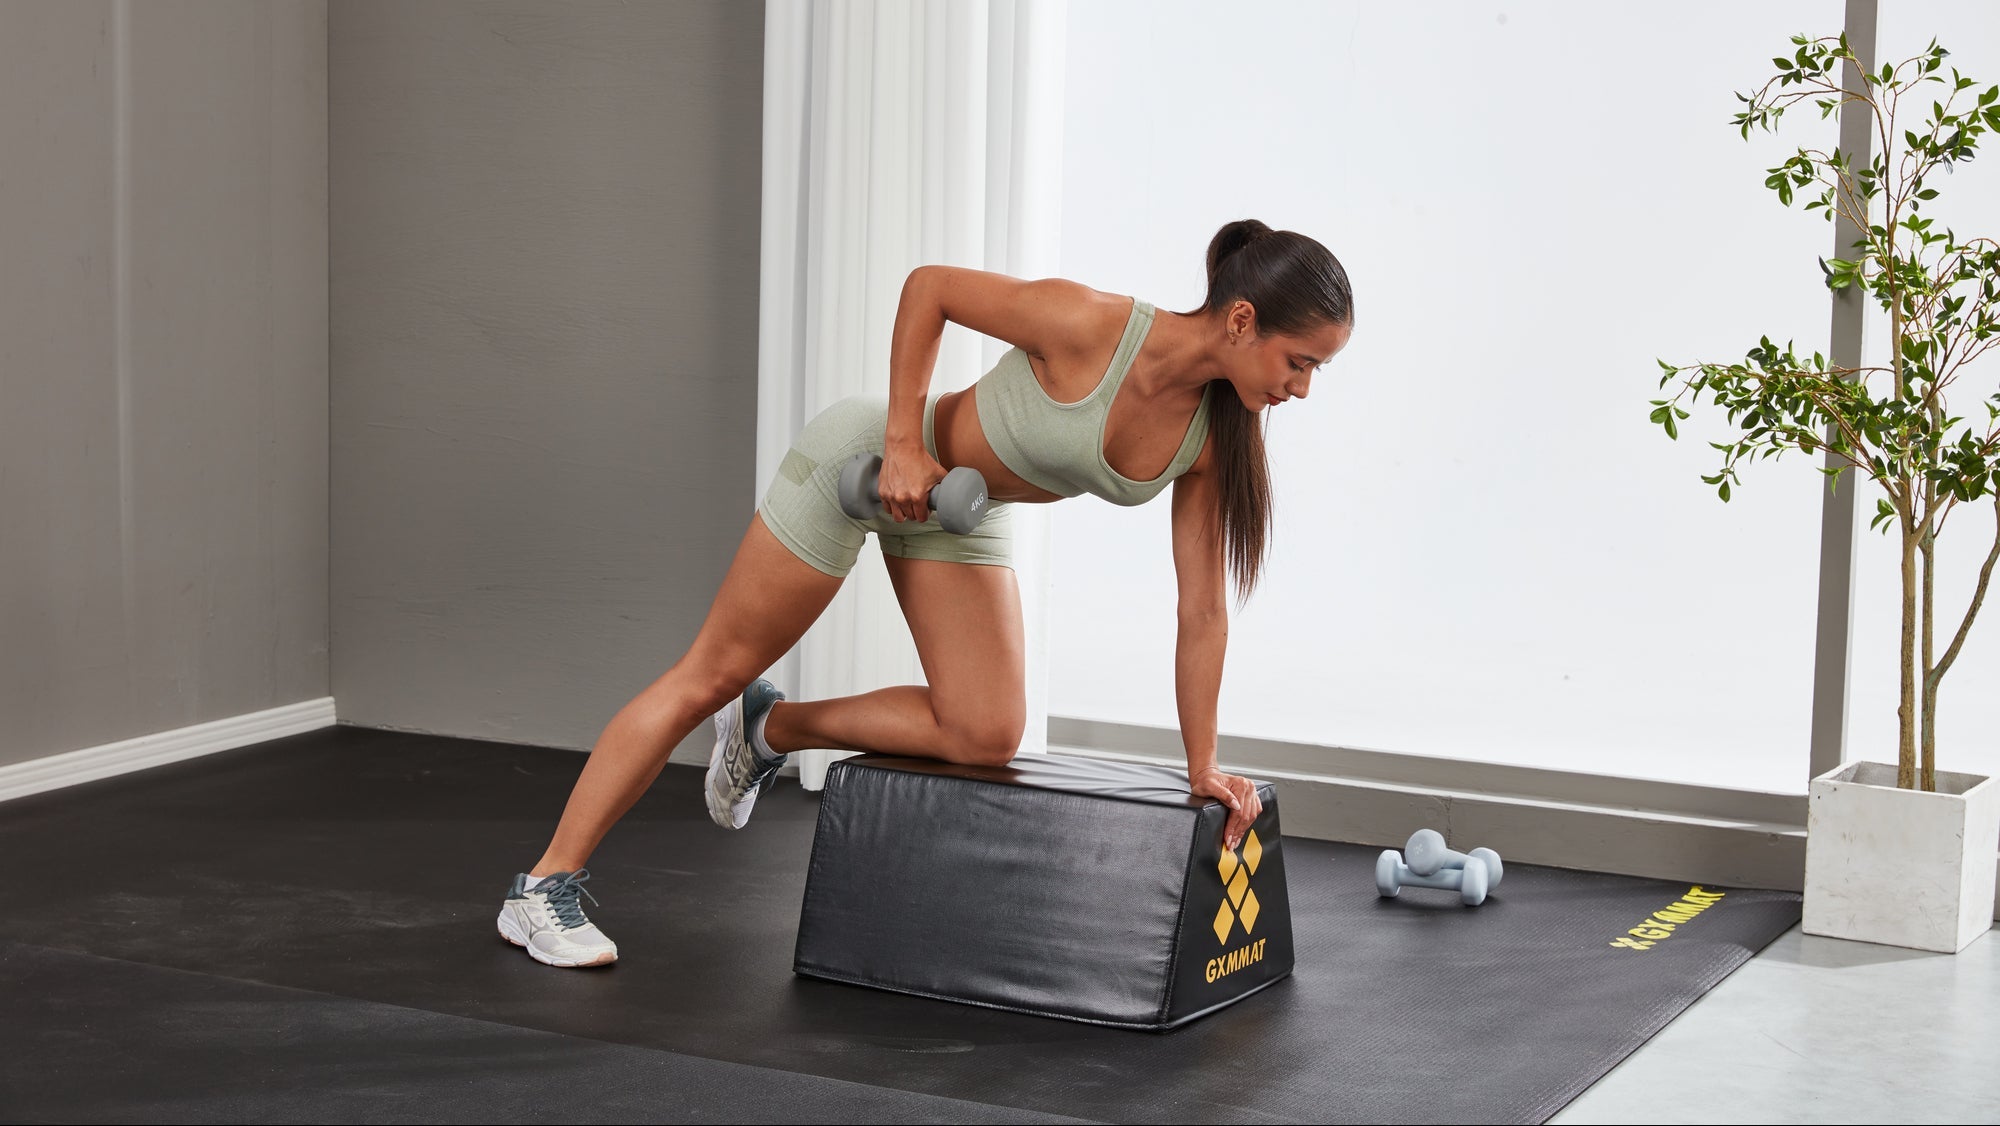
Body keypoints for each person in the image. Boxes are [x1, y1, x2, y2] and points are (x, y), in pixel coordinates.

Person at [496, 218, 1354, 968]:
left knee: (984, 732)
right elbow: (930, 288)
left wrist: (1201, 764)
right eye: (1301, 361)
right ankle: (542, 887)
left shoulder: (1212, 437)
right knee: (710, 670)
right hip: (869, 462)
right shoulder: (1092, 325)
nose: (1305, 388)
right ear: (1242, 320)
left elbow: (1201, 610)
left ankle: (771, 728)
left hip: (962, 510)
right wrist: (905, 443)